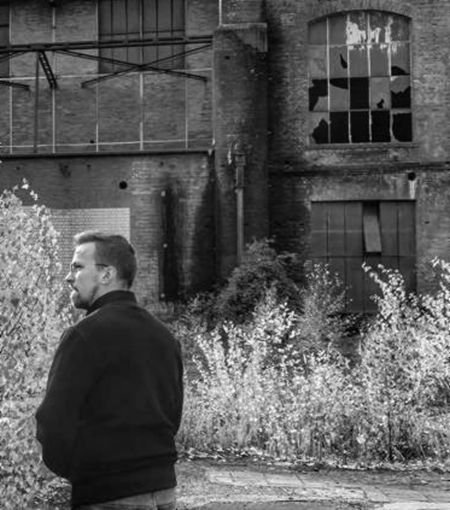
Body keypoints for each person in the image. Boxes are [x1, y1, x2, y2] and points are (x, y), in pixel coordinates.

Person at [35, 231, 183, 510]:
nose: (68, 277)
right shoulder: (164, 336)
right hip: (164, 491)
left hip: (107, 494)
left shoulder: (83, 336)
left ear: (106, 274)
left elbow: (52, 420)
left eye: (77, 267)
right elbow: (172, 416)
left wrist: (79, 472)